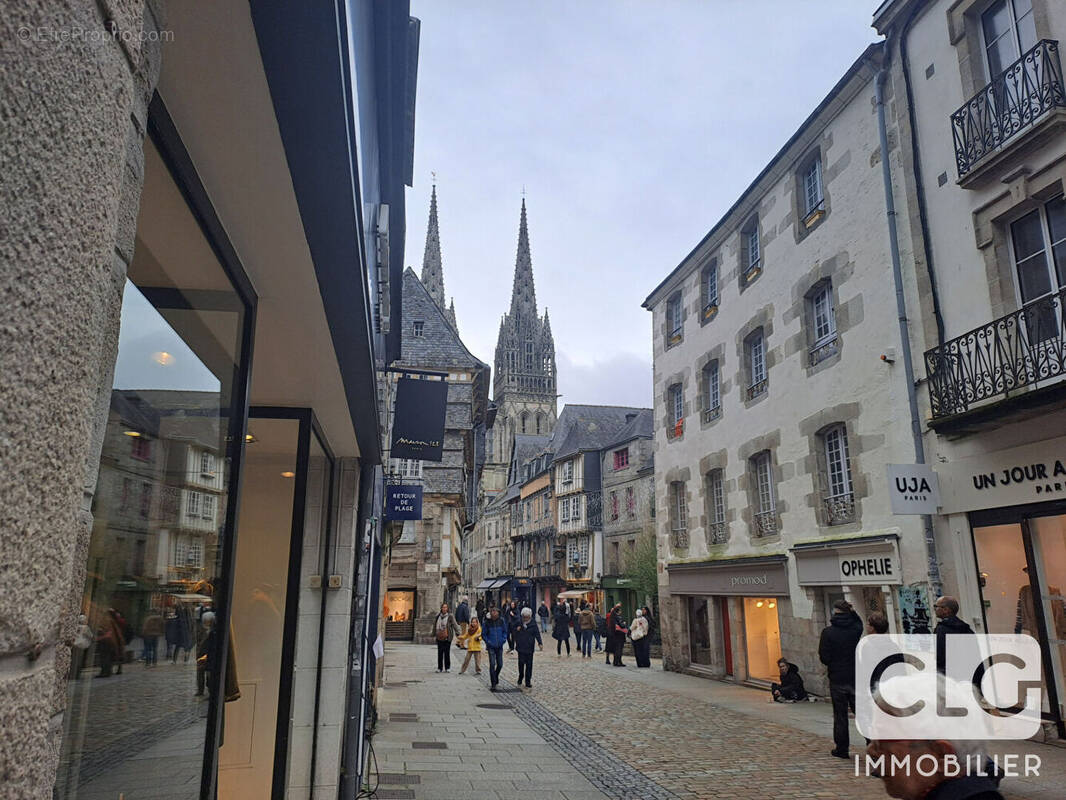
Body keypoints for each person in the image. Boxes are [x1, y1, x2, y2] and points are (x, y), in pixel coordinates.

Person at [819, 599, 864, 759]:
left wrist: (833, 663)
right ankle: (873, 747)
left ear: (835, 612)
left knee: (840, 715)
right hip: (855, 675)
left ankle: (842, 748)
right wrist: (852, 611)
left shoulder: (828, 632)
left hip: (837, 677)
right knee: (862, 714)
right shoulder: (854, 630)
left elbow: (824, 657)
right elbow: (860, 623)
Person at [511, 607, 543, 689]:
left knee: (529, 665)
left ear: (530, 616)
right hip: (521, 646)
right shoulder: (519, 622)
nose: (525, 618)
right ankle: (521, 676)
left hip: (529, 647)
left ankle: (528, 681)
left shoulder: (533, 623)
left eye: (527, 616)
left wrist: (540, 643)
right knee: (521, 663)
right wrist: (516, 630)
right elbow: (512, 632)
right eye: (524, 616)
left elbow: (537, 633)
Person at [482, 606, 509, 691]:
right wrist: (488, 642)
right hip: (491, 647)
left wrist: (503, 640)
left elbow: (505, 631)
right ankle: (493, 683)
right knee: (492, 664)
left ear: (498, 613)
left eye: (495, 612)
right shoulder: (487, 622)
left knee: (500, 664)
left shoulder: (501, 621)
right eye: (492, 612)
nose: (494, 613)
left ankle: (495, 676)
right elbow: (484, 634)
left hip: (499, 646)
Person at [94, 610, 126, 678]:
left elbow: (104, 630)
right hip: (111, 642)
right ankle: (107, 671)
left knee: (105, 657)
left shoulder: (107, 621)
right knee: (108, 657)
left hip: (107, 641)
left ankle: (105, 672)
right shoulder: (113, 621)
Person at [434, 603, 460, 673]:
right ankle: (440, 668)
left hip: (447, 637)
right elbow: (435, 625)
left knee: (446, 652)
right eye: (443, 607)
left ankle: (447, 667)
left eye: (445, 607)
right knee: (440, 652)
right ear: (441, 608)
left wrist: (458, 633)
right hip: (439, 636)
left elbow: (455, 625)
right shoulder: (438, 616)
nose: (444, 609)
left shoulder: (450, 616)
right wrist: (434, 634)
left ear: (447, 609)